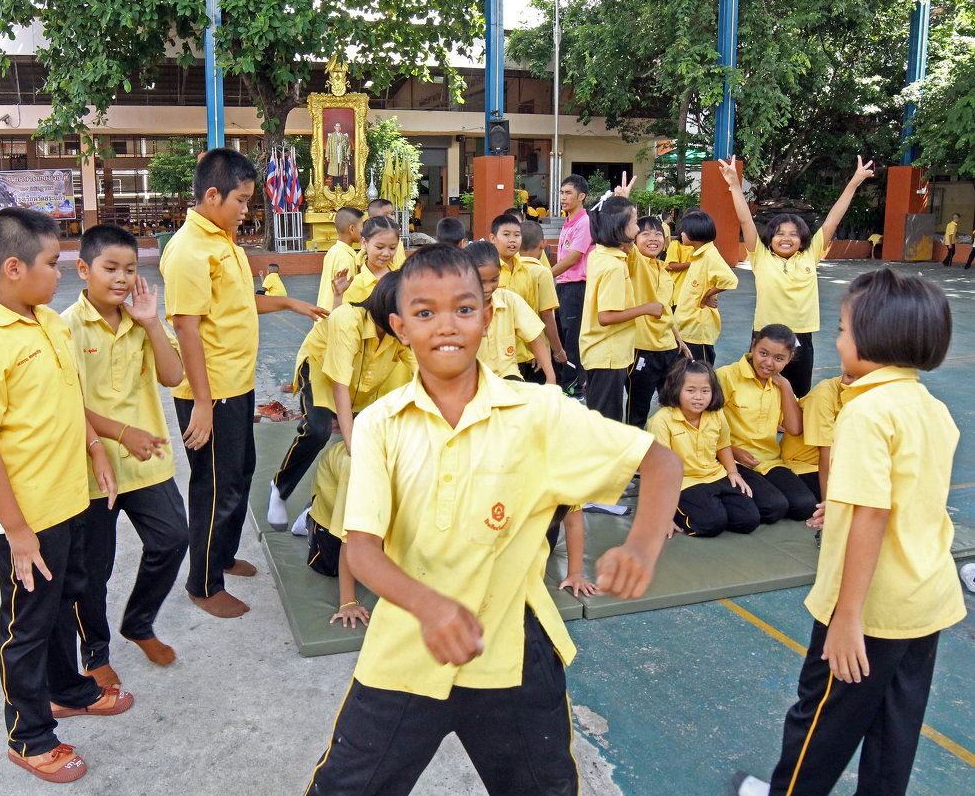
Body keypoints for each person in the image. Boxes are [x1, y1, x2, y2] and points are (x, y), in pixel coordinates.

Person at [305, 244, 683, 795]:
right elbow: (361, 549)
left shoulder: (539, 411)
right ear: (400, 327)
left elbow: (659, 460)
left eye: (464, 308)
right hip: (408, 647)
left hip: (511, 652)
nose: (446, 326)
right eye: (424, 312)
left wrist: (644, 546)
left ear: (487, 315)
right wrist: (431, 607)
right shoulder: (381, 424)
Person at [735, 268, 964, 796]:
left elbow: (873, 515)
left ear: (874, 337)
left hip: (871, 607)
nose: (836, 340)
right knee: (893, 728)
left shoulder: (866, 411)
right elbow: (905, 500)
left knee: (819, 724)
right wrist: (835, 510)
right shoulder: (931, 409)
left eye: (841, 328)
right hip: (925, 599)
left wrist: (847, 617)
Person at [0, 207, 132, 783]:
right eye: (52, 264)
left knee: (60, 604)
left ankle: (67, 689)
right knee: (26, 623)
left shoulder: (47, 322)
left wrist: (96, 449)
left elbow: (68, 399)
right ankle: (27, 735)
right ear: (12, 268)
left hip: (68, 498)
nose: (60, 274)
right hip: (24, 515)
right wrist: (18, 531)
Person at [162, 148, 326, 618]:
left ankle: (223, 555)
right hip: (210, 392)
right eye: (241, 199)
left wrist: (292, 305)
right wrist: (204, 403)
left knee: (240, 473)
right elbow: (187, 328)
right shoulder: (190, 251)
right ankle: (203, 583)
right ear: (212, 195)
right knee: (214, 485)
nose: (246, 209)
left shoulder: (224, 241)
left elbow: (242, 304)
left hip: (236, 385)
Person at [61, 225, 188, 684]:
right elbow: (67, 402)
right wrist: (119, 434)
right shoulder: (65, 328)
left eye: (130, 269)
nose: (121, 278)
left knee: (173, 538)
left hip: (146, 458)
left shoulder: (141, 319)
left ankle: (138, 623)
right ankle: (95, 653)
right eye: (110, 268)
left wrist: (152, 321)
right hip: (93, 467)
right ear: (83, 269)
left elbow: (173, 377)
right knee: (91, 572)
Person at [721, 154, 874, 397]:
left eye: (793, 234)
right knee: (760, 390)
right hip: (765, 333)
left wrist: (855, 181)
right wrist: (735, 186)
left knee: (799, 392)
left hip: (801, 334)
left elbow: (833, 219)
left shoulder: (810, 255)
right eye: (779, 233)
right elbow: (745, 221)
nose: (786, 238)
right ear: (770, 238)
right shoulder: (761, 257)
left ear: (803, 239)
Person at [268, 274, 415, 526]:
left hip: (361, 383)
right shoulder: (349, 320)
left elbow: (426, 372)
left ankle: (312, 514)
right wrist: (351, 445)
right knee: (319, 430)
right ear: (387, 312)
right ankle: (280, 489)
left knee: (374, 443)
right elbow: (339, 386)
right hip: (321, 370)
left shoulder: (399, 332)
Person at [716, 325, 816, 524]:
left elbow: (794, 428)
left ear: (789, 359)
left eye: (779, 358)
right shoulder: (726, 376)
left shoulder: (779, 385)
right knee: (773, 506)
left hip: (769, 460)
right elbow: (707, 426)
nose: (769, 363)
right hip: (731, 459)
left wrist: (785, 386)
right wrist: (734, 451)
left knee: (805, 505)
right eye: (763, 353)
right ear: (753, 346)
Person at [647, 358, 758, 537]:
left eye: (705, 391)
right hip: (683, 482)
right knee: (710, 524)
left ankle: (708, 507)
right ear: (676, 390)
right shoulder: (661, 421)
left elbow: (723, 445)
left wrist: (733, 472)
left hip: (715, 475)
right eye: (690, 390)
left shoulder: (716, 414)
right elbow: (659, 470)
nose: (699, 397)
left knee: (748, 520)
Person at [580, 195, 662, 421]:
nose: (638, 229)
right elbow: (605, 316)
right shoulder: (614, 266)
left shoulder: (600, 253)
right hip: (608, 354)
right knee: (607, 424)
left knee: (602, 418)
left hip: (601, 352)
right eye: (635, 223)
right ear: (620, 228)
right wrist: (647, 308)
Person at [626, 215, 690, 428]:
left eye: (658, 234)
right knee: (638, 408)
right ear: (634, 240)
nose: (653, 239)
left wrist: (679, 339)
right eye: (645, 234)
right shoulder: (634, 264)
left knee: (674, 402)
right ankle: (634, 455)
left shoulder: (664, 271)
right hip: (641, 350)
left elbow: (666, 312)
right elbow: (624, 243)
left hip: (669, 349)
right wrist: (625, 211)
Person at [301, 441, 371, 628]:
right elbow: (349, 538)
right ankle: (309, 516)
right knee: (330, 568)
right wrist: (348, 602)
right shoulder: (356, 473)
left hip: (374, 506)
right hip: (332, 503)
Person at [465, 241, 554, 383]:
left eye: (494, 280)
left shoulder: (510, 301)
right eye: (481, 282)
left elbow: (535, 339)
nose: (488, 288)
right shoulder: (456, 310)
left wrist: (551, 378)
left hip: (508, 378)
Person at [672, 210, 738, 366]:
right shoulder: (698, 254)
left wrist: (708, 295)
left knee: (699, 371)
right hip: (687, 326)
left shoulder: (710, 255)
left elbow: (729, 280)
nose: (681, 234)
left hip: (697, 330)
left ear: (695, 233)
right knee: (683, 372)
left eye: (684, 231)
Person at [780, 372, 856, 505]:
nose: (851, 383)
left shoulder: (875, 395)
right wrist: (827, 503)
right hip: (804, 464)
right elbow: (826, 452)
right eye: (849, 376)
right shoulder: (823, 395)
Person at [551, 174, 593, 397]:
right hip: (564, 286)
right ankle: (563, 383)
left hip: (577, 288)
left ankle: (574, 388)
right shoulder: (569, 222)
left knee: (573, 340)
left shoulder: (584, 222)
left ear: (582, 196)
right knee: (560, 336)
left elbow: (573, 257)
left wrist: (547, 274)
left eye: (568, 193)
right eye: (562, 193)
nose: (563, 197)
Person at [517, 220, 566, 382]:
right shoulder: (542, 273)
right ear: (543, 244)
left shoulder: (511, 269)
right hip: (538, 351)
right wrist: (558, 350)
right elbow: (546, 315)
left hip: (515, 350)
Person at [343, 216, 401, 305]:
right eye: (379, 247)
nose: (386, 253)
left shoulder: (402, 280)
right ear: (364, 243)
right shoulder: (355, 286)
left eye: (392, 248)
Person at [317, 206, 362, 311]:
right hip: (336, 317)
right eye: (361, 226)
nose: (363, 230)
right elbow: (347, 297)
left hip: (324, 311)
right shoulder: (346, 258)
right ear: (351, 229)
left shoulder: (333, 250)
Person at [357, 199, 407, 267]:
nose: (391, 218)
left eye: (392, 214)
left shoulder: (396, 239)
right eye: (385, 216)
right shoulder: (370, 240)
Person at [325, 121, 352, 190]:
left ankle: (341, 188)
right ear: (334, 128)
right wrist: (327, 156)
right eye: (337, 126)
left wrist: (348, 154)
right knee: (334, 173)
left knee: (341, 172)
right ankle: (334, 188)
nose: (338, 128)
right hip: (334, 157)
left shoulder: (344, 137)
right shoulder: (331, 137)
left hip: (341, 157)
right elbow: (328, 146)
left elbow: (349, 146)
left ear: (341, 128)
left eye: (339, 126)